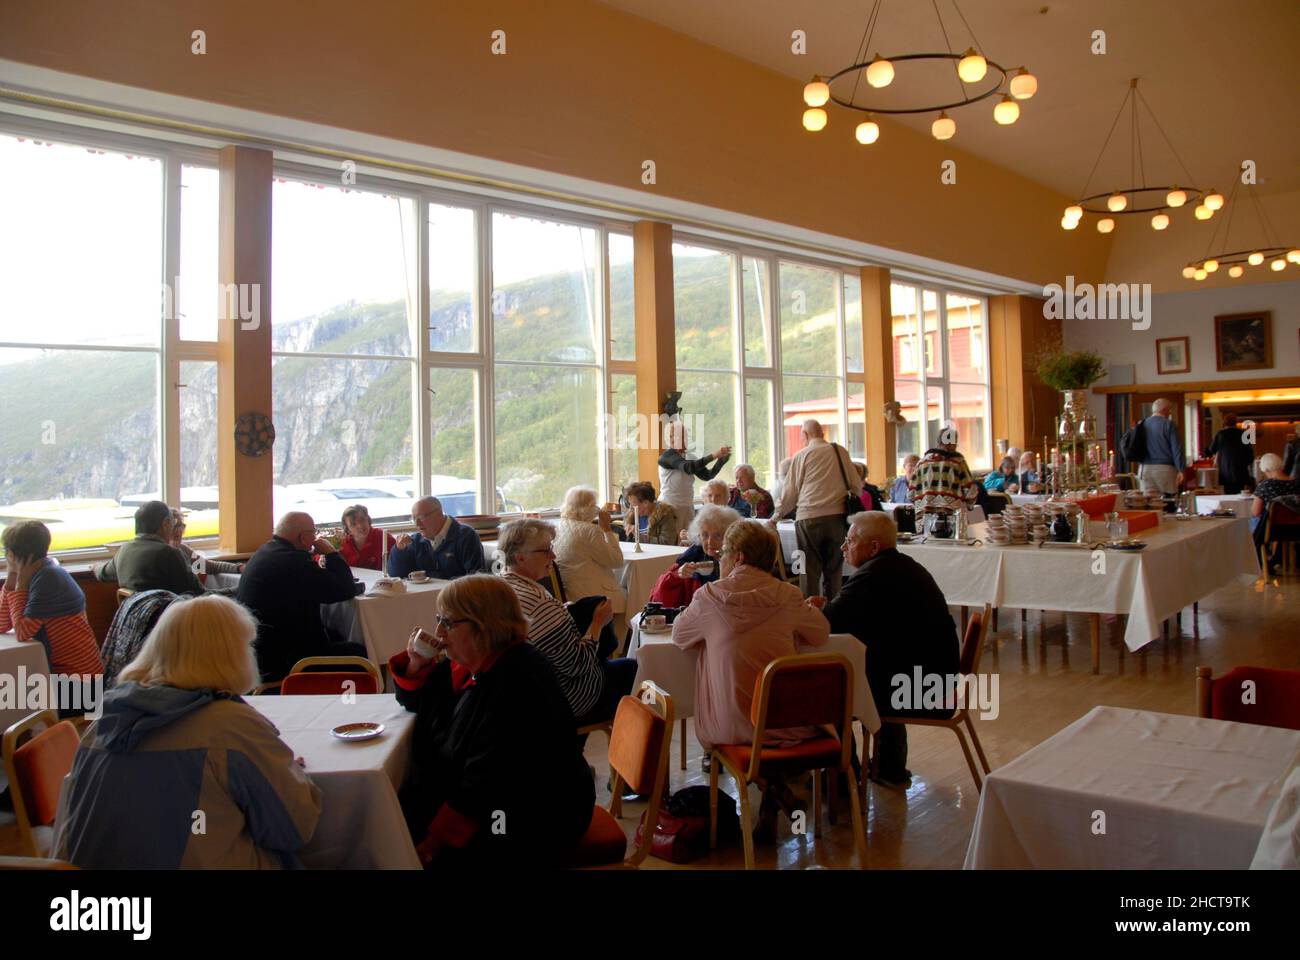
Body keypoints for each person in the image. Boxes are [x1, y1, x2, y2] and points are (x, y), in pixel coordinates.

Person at [54, 595, 322, 868]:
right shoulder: (231, 726)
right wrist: (290, 774)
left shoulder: (103, 723)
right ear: (232, 656)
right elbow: (295, 827)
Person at [389, 576, 594, 866]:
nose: (438, 633)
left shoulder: (517, 682)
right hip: (496, 802)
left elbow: (486, 786)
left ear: (483, 625)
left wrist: (433, 842)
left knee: (394, 830)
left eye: (447, 622)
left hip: (532, 820)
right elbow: (423, 706)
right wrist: (416, 664)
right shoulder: (476, 663)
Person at [671, 519, 829, 841]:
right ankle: (776, 799)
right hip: (788, 723)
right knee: (767, 720)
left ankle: (774, 797)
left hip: (731, 724)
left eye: (724, 553)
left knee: (746, 721)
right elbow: (821, 633)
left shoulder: (710, 596)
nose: (721, 560)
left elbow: (679, 635)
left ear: (739, 557)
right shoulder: (789, 595)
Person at [822, 512, 959, 787]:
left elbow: (828, 622)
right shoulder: (902, 566)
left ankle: (842, 778)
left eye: (849, 541)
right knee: (877, 667)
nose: (843, 547)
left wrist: (813, 610)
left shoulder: (874, 574)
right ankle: (889, 768)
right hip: (936, 678)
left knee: (830, 688)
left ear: (873, 547)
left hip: (918, 687)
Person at [498, 519, 637, 743]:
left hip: (520, 696)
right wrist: (597, 623)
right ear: (521, 557)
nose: (553, 557)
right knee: (634, 670)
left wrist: (562, 613)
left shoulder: (502, 587)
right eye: (546, 551)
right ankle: (628, 769)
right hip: (561, 698)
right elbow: (578, 665)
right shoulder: (539, 602)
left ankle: (574, 755)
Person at [236, 512, 366, 682]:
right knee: (360, 653)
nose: (315, 537)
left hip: (259, 650)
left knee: (337, 634)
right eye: (314, 532)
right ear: (303, 538)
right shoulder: (292, 562)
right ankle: (347, 704)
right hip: (286, 660)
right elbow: (345, 589)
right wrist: (331, 553)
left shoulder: (266, 551)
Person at [1, 521, 104, 685]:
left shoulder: (48, 578)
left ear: (11, 554)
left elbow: (22, 632)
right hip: (66, 674)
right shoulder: (41, 571)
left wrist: (20, 584)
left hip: (79, 679)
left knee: (13, 696)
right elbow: (2, 624)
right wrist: (11, 578)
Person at [771, 419, 861, 601]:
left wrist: (776, 517)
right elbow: (856, 485)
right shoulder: (839, 451)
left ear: (805, 435)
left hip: (808, 518)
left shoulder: (802, 455)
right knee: (834, 570)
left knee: (807, 571)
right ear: (822, 433)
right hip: (837, 516)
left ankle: (809, 614)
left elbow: (790, 493)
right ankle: (833, 615)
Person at [94, 500, 204, 595]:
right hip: (168, 617)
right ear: (165, 524)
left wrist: (95, 566)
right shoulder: (170, 554)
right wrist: (221, 592)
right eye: (172, 522)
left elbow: (101, 574)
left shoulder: (124, 550)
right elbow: (198, 594)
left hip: (134, 617)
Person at [554, 485, 626, 619]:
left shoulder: (558, 527)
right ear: (587, 508)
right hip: (595, 597)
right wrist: (607, 529)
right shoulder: (589, 531)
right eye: (595, 506)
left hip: (571, 594)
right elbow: (617, 561)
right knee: (633, 595)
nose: (597, 510)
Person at [649, 504, 741, 608]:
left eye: (718, 535)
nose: (710, 542)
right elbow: (659, 599)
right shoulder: (693, 555)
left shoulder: (739, 560)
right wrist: (677, 576)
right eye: (705, 535)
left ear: (730, 536)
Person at [388, 496, 485, 580]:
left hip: (456, 596)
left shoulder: (465, 536)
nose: (417, 524)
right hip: (423, 597)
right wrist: (400, 551)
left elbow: (476, 576)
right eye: (414, 519)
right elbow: (396, 576)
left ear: (439, 513)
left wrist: (436, 580)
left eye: (421, 517)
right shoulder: (416, 541)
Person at [657, 418, 730, 527]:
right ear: (671, 439)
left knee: (690, 540)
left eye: (685, 437)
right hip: (670, 506)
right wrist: (714, 455)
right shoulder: (666, 457)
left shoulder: (690, 457)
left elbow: (707, 475)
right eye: (680, 437)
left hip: (687, 506)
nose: (685, 440)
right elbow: (688, 468)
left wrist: (721, 461)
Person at [1251, 452, 1300, 564]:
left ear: (1266, 469)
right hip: (1297, 529)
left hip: (1273, 531)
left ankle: (1258, 561)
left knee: (1254, 520)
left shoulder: (1265, 485)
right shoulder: (1297, 483)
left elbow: (1255, 512)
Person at [909, 435, 977, 513]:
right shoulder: (958, 462)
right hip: (953, 516)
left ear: (938, 443)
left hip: (925, 518)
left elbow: (911, 494)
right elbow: (970, 492)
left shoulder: (921, 463)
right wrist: (969, 506)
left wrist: (923, 504)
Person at [167, 509, 243, 576]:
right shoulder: (161, 556)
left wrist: (238, 568)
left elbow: (210, 566)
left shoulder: (183, 549)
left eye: (179, 537)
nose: (176, 543)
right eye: (173, 537)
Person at [1138, 398, 1185, 495]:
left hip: (1144, 469)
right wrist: (1181, 469)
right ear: (1164, 410)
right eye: (1169, 410)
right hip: (1165, 470)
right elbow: (1176, 449)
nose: (1170, 413)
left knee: (1150, 504)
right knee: (1169, 502)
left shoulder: (1142, 424)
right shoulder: (1169, 424)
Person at [338, 503, 395, 572]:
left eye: (362, 520)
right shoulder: (342, 544)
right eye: (353, 524)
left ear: (368, 519)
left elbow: (397, 565)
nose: (360, 525)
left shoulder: (384, 537)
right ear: (348, 530)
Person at [1206, 414, 1255, 495]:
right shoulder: (1243, 434)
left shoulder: (1220, 434)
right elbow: (1250, 454)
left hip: (1225, 469)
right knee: (1240, 492)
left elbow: (1212, 449)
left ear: (1224, 422)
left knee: (1228, 492)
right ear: (1236, 422)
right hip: (1240, 469)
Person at [622, 480, 681, 546]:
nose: (630, 508)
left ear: (645, 503)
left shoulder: (665, 515)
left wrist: (638, 536)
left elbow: (667, 542)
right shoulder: (632, 517)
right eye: (629, 504)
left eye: (633, 504)